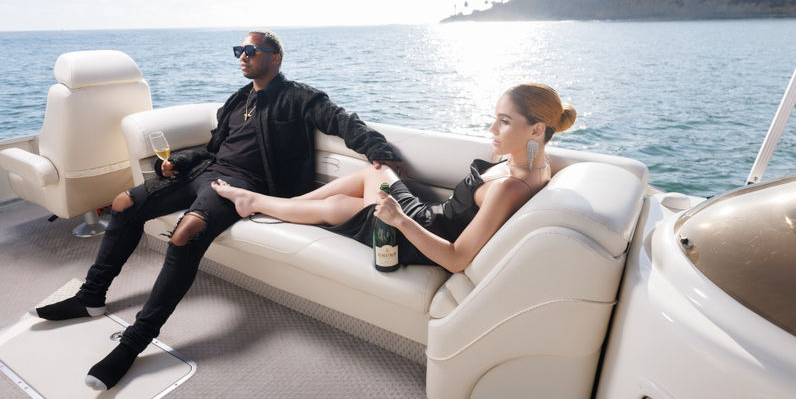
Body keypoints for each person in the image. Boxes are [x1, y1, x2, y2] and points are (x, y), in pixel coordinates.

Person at [29, 30, 404, 390]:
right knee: (124, 202)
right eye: (238, 51)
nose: (242, 57)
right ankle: (91, 296)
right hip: (207, 173)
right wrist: (177, 162)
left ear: (275, 57)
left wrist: (381, 153)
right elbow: (212, 150)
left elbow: (344, 121)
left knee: (186, 231)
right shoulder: (238, 100)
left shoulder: (299, 98)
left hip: (246, 185)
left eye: (250, 51)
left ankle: (135, 340)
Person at [211, 83, 576, 273]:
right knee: (375, 169)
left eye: (505, 121)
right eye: (496, 117)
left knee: (339, 206)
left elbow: (455, 259)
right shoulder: (535, 163)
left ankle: (254, 201)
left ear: (537, 129)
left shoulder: (511, 186)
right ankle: (285, 205)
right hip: (429, 216)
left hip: (418, 237)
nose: (492, 128)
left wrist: (398, 219)